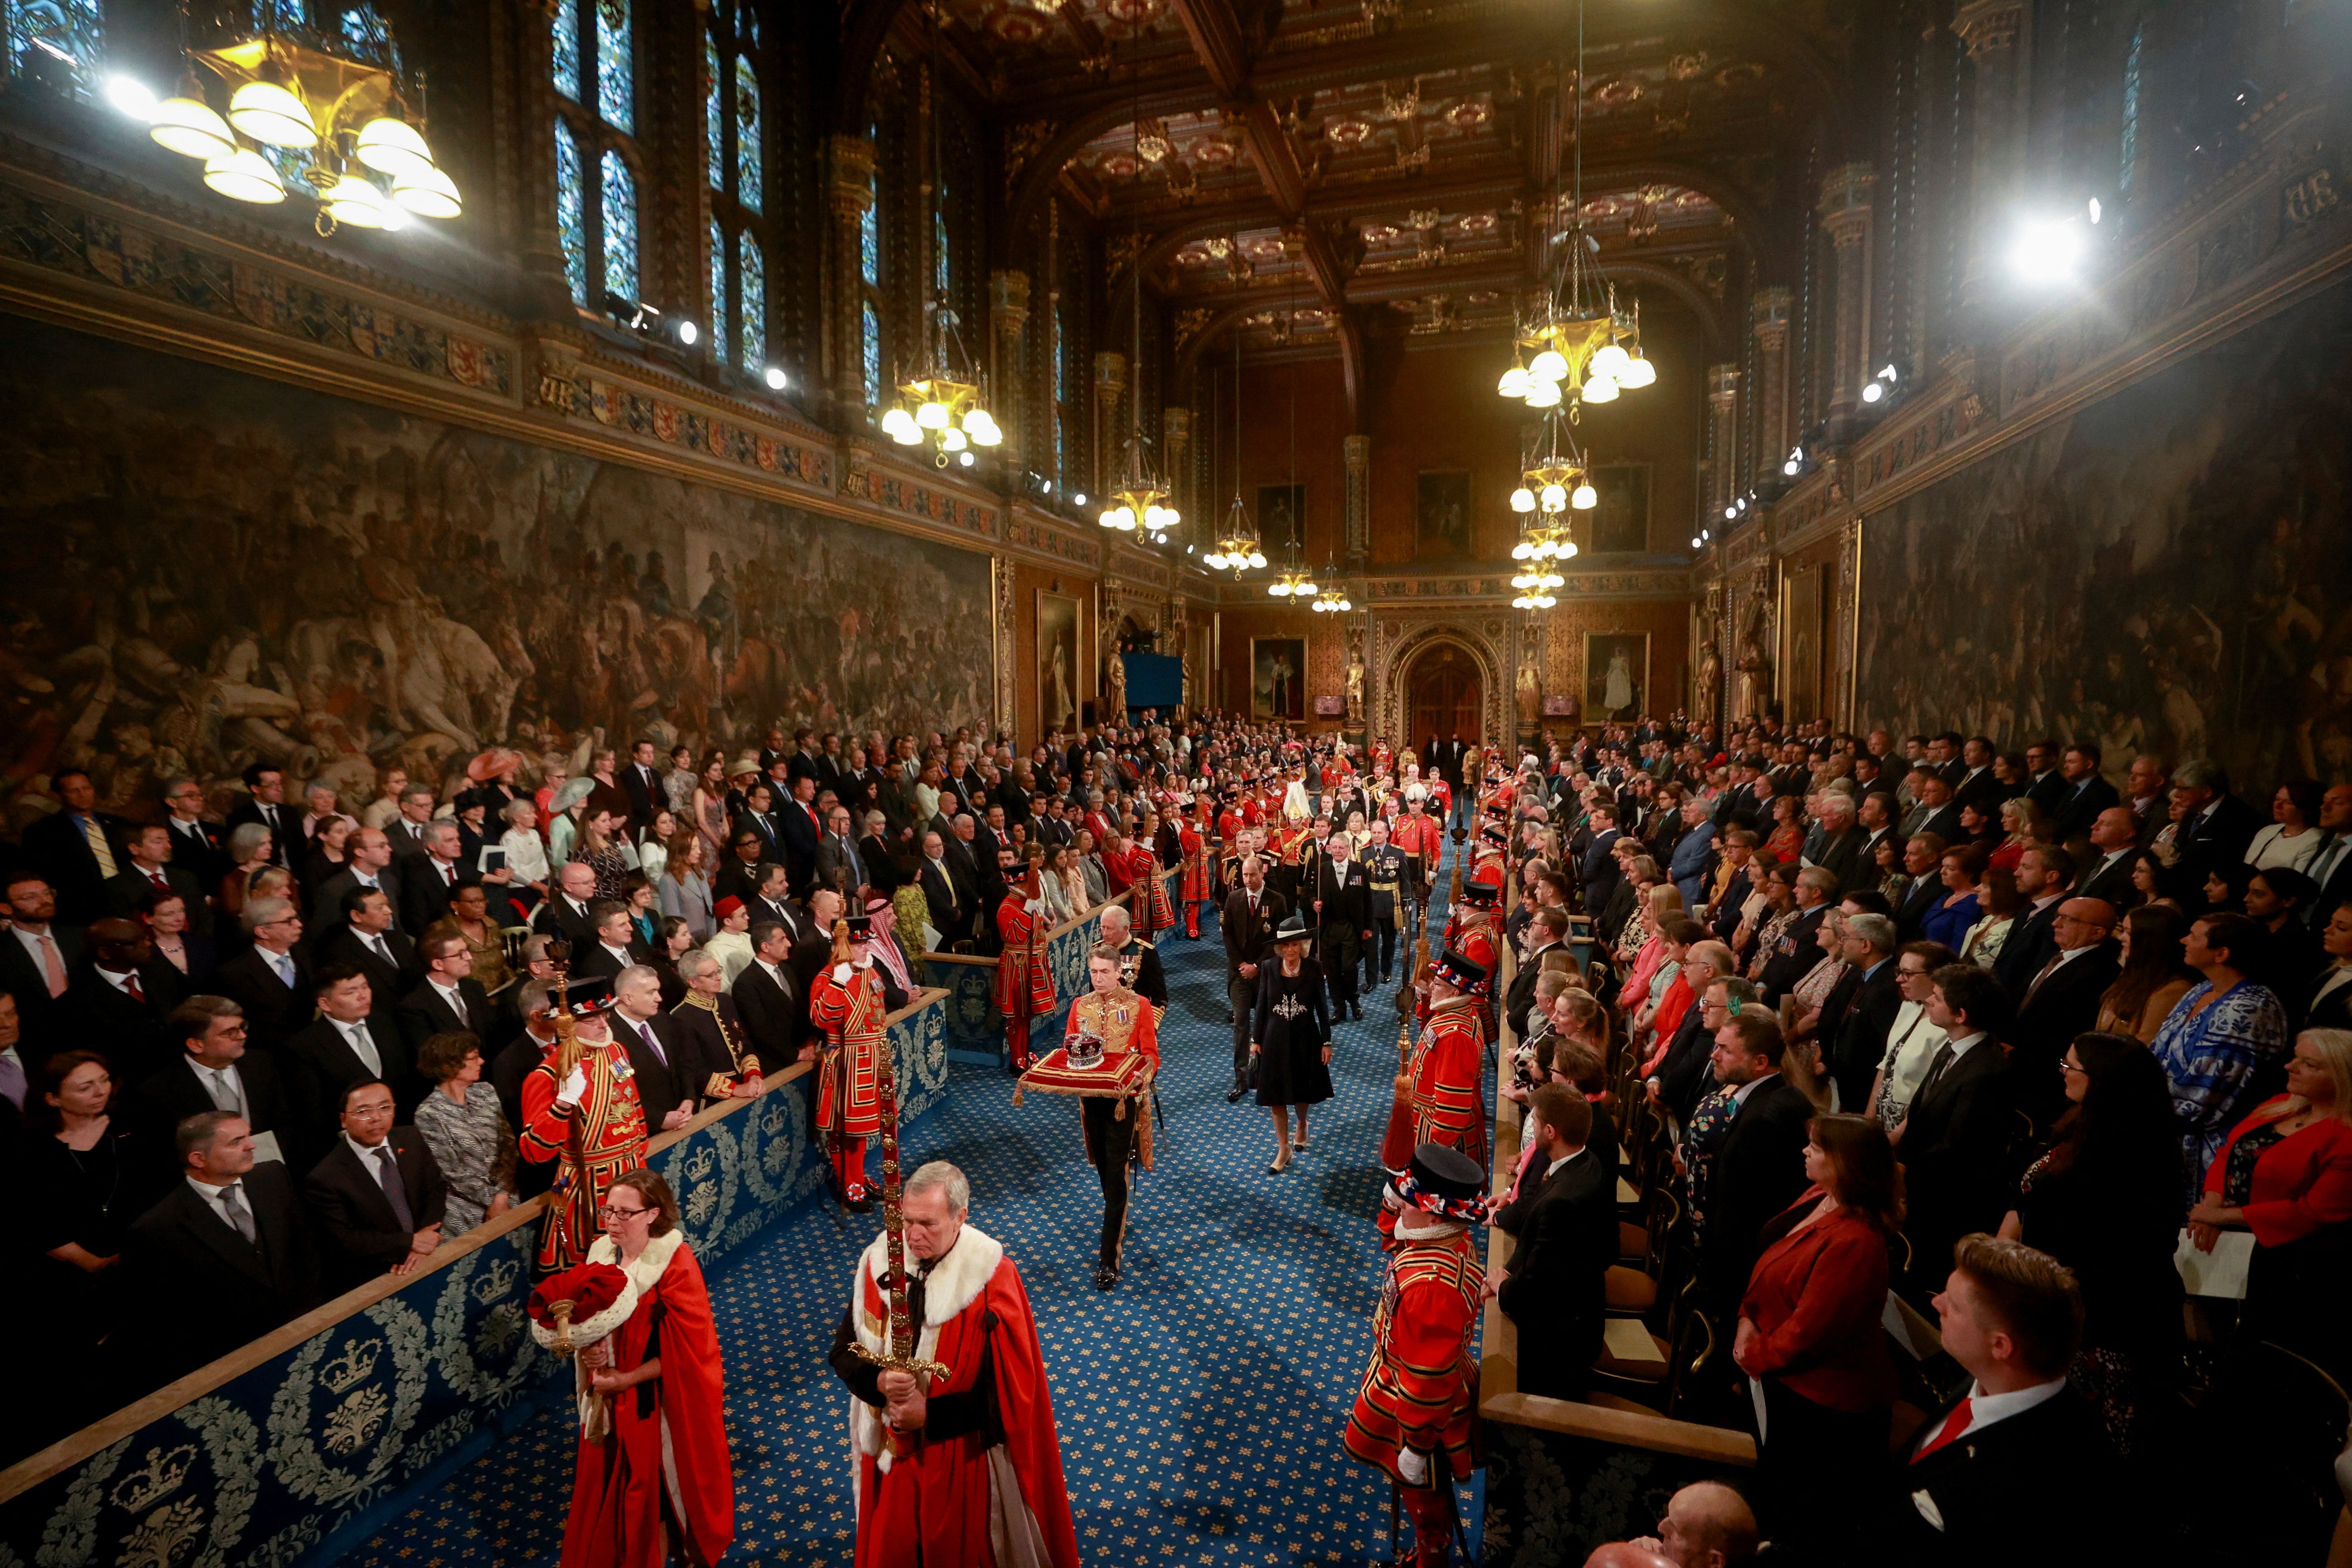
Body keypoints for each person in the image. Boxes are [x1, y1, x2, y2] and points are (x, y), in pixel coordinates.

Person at [828, 1160, 1079, 1568]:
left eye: (927, 1223)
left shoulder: (991, 1281)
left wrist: (931, 1413)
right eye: (907, 1221)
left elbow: (1012, 1397)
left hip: (962, 1464)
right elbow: (842, 1352)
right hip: (891, 1461)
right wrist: (878, 1381)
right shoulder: (880, 1261)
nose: (913, 1236)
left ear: (961, 1216)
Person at [1999, 1034, 2185, 1455]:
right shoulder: (2079, 1122)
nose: (2062, 1073)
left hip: (2107, 1321)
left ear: (2103, 1079)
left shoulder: (2133, 1155)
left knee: (2098, 1446)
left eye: (2071, 1068)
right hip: (2055, 1298)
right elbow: (2025, 1196)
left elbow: (2098, 1250)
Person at [1884, 1234, 2114, 1564]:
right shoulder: (1988, 1378)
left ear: (2001, 1347)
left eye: (1956, 1305)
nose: (1938, 1303)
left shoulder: (2049, 1472)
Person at [1733, 1114, 1900, 1563]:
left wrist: (1754, 1355)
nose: (1805, 1152)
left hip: (1821, 1411)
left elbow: (1812, 1333)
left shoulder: (1857, 1242)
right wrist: (1746, 1316)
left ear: (1847, 1164)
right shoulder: (1819, 1196)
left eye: (1817, 1148)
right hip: (1779, 1376)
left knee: (1795, 1521)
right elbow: (1773, 1256)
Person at [560, 1168, 734, 1568]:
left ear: (653, 1215)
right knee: (611, 1484)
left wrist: (627, 1378)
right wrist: (591, 1353)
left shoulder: (674, 1265)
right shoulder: (601, 1254)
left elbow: (690, 1353)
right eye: (608, 1211)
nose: (613, 1222)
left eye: (625, 1213)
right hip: (607, 1395)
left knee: (652, 1490)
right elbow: (591, 1322)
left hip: (657, 1403)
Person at [1344, 1142, 1487, 1568]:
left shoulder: (1431, 1289)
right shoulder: (1446, 1238)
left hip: (1417, 1403)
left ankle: (1431, 1557)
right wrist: (1393, 1206)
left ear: (1434, 1215)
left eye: (1408, 1202)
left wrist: (1418, 1446)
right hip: (1405, 1378)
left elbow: (1429, 1377)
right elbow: (1396, 1242)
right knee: (1419, 1490)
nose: (1401, 1206)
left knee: (1424, 1493)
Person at [2188, 1028, 2352, 1373]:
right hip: (2231, 1236)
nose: (2290, 1066)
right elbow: (2226, 1155)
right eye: (2295, 1056)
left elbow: (2312, 1212)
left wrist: (2222, 1218)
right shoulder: (2276, 1105)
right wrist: (2210, 1207)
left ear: (2342, 1076)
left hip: (2296, 1261)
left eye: (2308, 1064)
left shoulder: (2346, 1138)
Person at [122, 1110, 319, 1384]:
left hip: (306, 1333)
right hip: (236, 1363)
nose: (251, 1145)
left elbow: (306, 1251)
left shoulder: (273, 1175)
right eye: (236, 1142)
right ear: (198, 1159)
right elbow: (168, 1318)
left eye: (248, 1137)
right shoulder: (158, 1228)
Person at [23, 1050, 134, 1439]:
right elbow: (28, 1219)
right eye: (85, 1087)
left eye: (103, 1081)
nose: (99, 1092)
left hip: (143, 1259)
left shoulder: (132, 1127)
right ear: (52, 1098)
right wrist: (88, 1261)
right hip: (70, 1278)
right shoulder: (31, 1147)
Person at [1896, 965, 2018, 1296]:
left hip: (1946, 1200)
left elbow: (1957, 1147)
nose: (1928, 1002)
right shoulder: (1952, 1047)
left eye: (1936, 998)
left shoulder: (1986, 1072)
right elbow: (1922, 1110)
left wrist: (1903, 1171)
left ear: (1961, 1014)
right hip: (1922, 1180)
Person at [2149, 911, 2291, 1195]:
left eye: (2194, 936)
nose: (2183, 940)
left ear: (2221, 953)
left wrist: (2138, 1111)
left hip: (2209, 1152)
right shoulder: (2201, 990)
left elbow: (2204, 1098)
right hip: (2164, 1131)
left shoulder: (2247, 1009)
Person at [1493, 1085, 1614, 1400]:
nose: (1532, 1131)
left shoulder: (1560, 1203)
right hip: (1574, 1301)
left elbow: (1536, 1286)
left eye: (1535, 1125)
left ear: (1550, 1131)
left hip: (1560, 1338)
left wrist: (1501, 1285)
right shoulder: (1585, 1162)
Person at [521, 984, 652, 1272]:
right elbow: (534, 1152)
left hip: (633, 1172)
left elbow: (633, 1106)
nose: (604, 1025)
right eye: (592, 1021)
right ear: (566, 1026)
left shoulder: (617, 1051)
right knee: (601, 1275)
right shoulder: (546, 1076)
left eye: (604, 1017)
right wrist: (563, 1104)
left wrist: (639, 1159)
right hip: (592, 1188)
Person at [1701, 1011, 1815, 1322]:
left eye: (1725, 1050)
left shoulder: (1765, 1118)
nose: (1714, 1056)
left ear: (1760, 1063)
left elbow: (1751, 1208)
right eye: (1716, 1046)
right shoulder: (1772, 1096)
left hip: (1742, 1265)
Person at [1064, 945, 1160, 1289]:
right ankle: (1116, 1214)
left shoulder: (1140, 1006)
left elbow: (1151, 1056)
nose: (1099, 978)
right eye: (1094, 972)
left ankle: (1109, 1260)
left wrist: (1140, 1078)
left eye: (1105, 972)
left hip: (1124, 1103)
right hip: (1091, 1101)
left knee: (1117, 1176)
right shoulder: (1080, 1006)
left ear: (1120, 971)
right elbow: (1070, 1049)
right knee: (1104, 1168)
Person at [303, 1078, 448, 1292]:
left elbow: (436, 1189)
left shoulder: (411, 1138)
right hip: (381, 1274)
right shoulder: (325, 1177)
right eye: (363, 1112)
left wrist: (426, 1239)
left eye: (385, 1108)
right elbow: (346, 1240)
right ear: (344, 1120)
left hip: (431, 1252)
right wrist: (409, 1243)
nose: (377, 1118)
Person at [811, 915, 910, 1208]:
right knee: (845, 1129)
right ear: (843, 946)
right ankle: (848, 1183)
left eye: (866, 942)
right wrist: (838, 986)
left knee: (865, 1128)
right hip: (847, 1062)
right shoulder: (827, 979)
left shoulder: (870, 973)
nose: (867, 948)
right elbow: (821, 1018)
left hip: (873, 1057)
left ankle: (858, 1175)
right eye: (860, 944)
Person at [1250, 913, 1333, 1174]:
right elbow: (1262, 1005)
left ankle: (1302, 1123)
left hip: (1305, 1038)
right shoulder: (1268, 968)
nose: (1290, 950)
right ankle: (1283, 1148)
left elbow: (1322, 1007)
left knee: (1301, 1091)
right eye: (1285, 945)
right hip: (1274, 1039)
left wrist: (1327, 1041)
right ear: (1279, 947)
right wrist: (1255, 1040)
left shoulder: (1314, 968)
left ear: (1304, 945)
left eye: (1295, 945)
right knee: (1276, 1094)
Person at [412, 1031, 517, 1235]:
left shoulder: (486, 1091)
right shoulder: (428, 1114)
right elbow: (452, 1171)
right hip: (464, 1212)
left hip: (507, 1196)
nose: (482, 1061)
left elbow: (508, 1146)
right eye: (474, 1058)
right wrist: (492, 1201)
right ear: (450, 1066)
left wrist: (502, 1196)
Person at [2094, 903, 2195, 1041]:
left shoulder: (2173, 991)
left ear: (2151, 939)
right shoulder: (2130, 976)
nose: (2121, 938)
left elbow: (2146, 1046)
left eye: (2129, 933)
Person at [994, 864, 1058, 1072]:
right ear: (1017, 883)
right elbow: (1014, 936)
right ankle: (1016, 1058)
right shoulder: (1008, 907)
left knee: (1027, 1014)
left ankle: (1024, 1051)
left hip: (1030, 964)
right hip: (1017, 967)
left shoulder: (1024, 903)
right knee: (1017, 1015)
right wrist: (1027, 912)